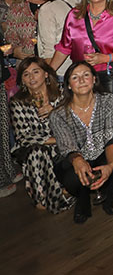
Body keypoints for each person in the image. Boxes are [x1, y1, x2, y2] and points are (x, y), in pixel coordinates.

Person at [51, 61, 113, 223]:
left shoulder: (108, 101)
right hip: (76, 156)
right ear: (69, 85)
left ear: (94, 79)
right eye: (75, 77)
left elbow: (111, 137)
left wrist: (110, 165)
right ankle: (82, 199)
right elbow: (67, 148)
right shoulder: (58, 114)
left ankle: (110, 193)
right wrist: (77, 160)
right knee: (72, 177)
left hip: (103, 152)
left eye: (86, 75)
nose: (81, 80)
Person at [51, 0, 113, 105]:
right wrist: (49, 73)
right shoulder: (74, 15)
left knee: (109, 114)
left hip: (107, 75)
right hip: (80, 76)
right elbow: (64, 47)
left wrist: (106, 58)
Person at [10, 58, 74, 213]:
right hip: (38, 146)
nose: (31, 77)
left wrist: (55, 112)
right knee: (36, 152)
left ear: (46, 74)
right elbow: (23, 137)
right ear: (22, 80)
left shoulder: (62, 93)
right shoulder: (17, 102)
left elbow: (75, 123)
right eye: (26, 74)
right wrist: (55, 140)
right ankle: (46, 197)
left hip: (65, 142)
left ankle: (58, 191)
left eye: (35, 72)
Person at [34, 0, 75, 77]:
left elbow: (49, 48)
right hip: (78, 67)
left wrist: (48, 75)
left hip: (59, 70)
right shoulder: (74, 1)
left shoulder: (47, 9)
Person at [3, 0, 38, 65]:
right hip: (25, 64)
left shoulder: (52, 5)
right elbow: (10, 37)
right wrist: (14, 51)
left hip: (52, 61)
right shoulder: (16, 8)